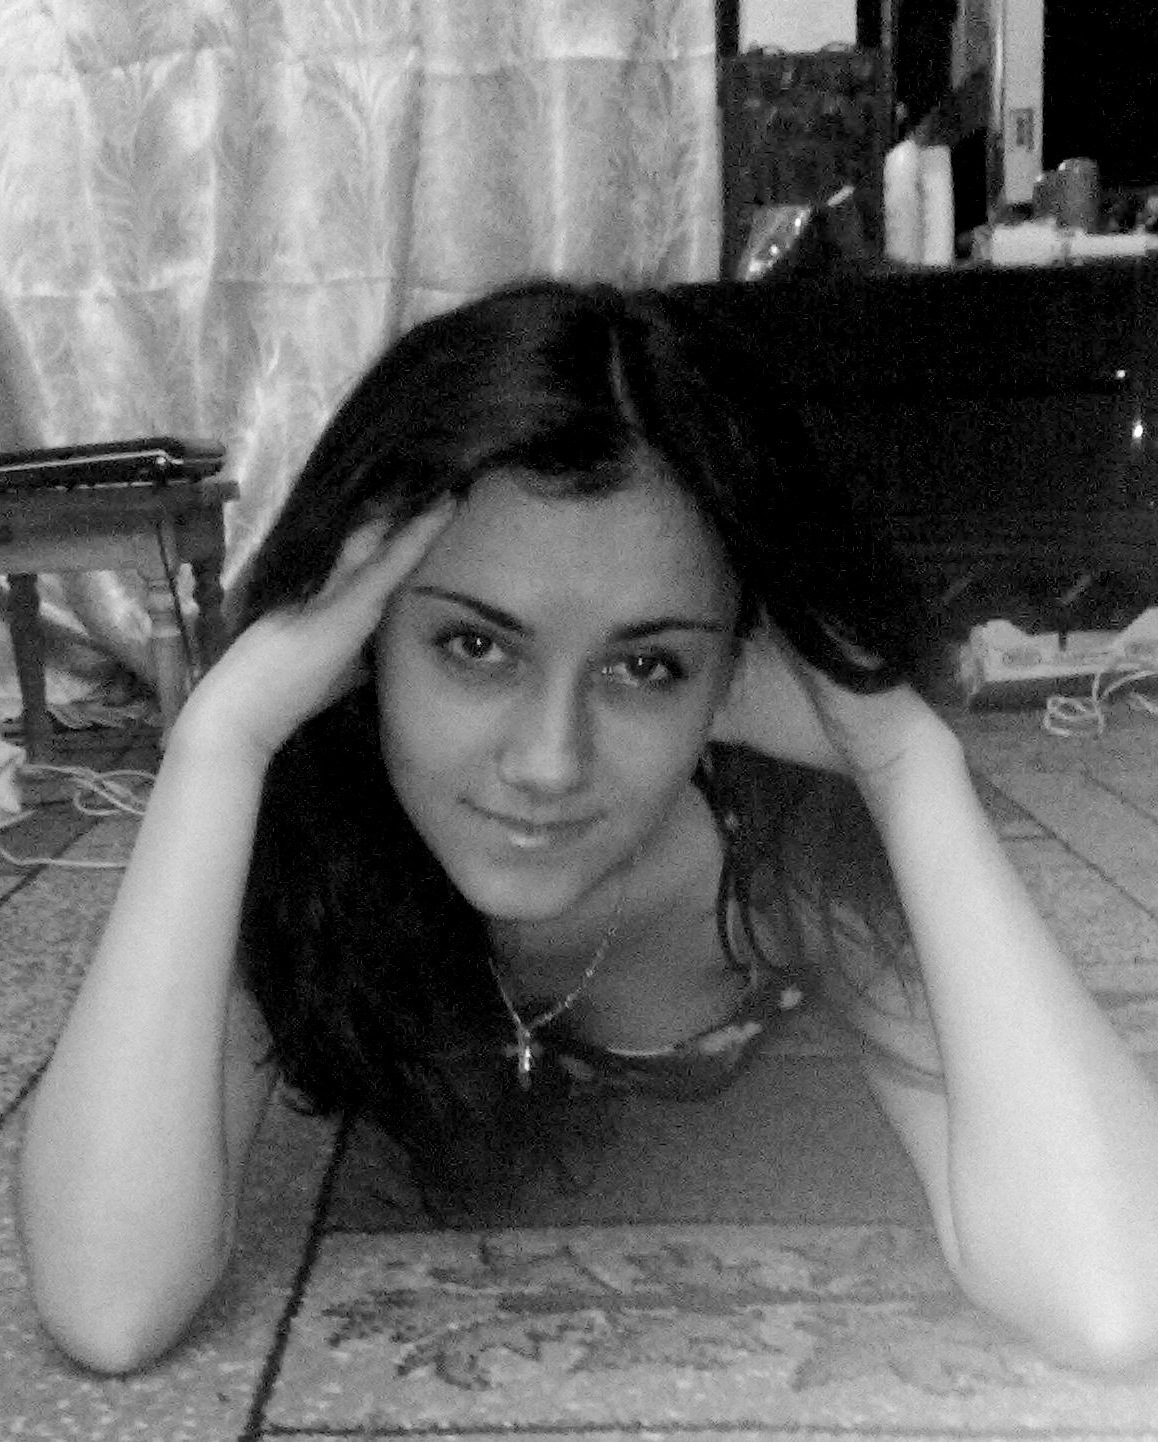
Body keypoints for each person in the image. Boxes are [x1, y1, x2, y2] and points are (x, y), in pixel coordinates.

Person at [18, 279, 1158, 1378]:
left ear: (738, 671)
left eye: (645, 665)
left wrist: (909, 763)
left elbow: (1112, 1294)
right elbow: (109, 1300)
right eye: (476, 646)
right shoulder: (309, 832)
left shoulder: (780, 849)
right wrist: (219, 740)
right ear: (355, 640)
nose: (549, 762)